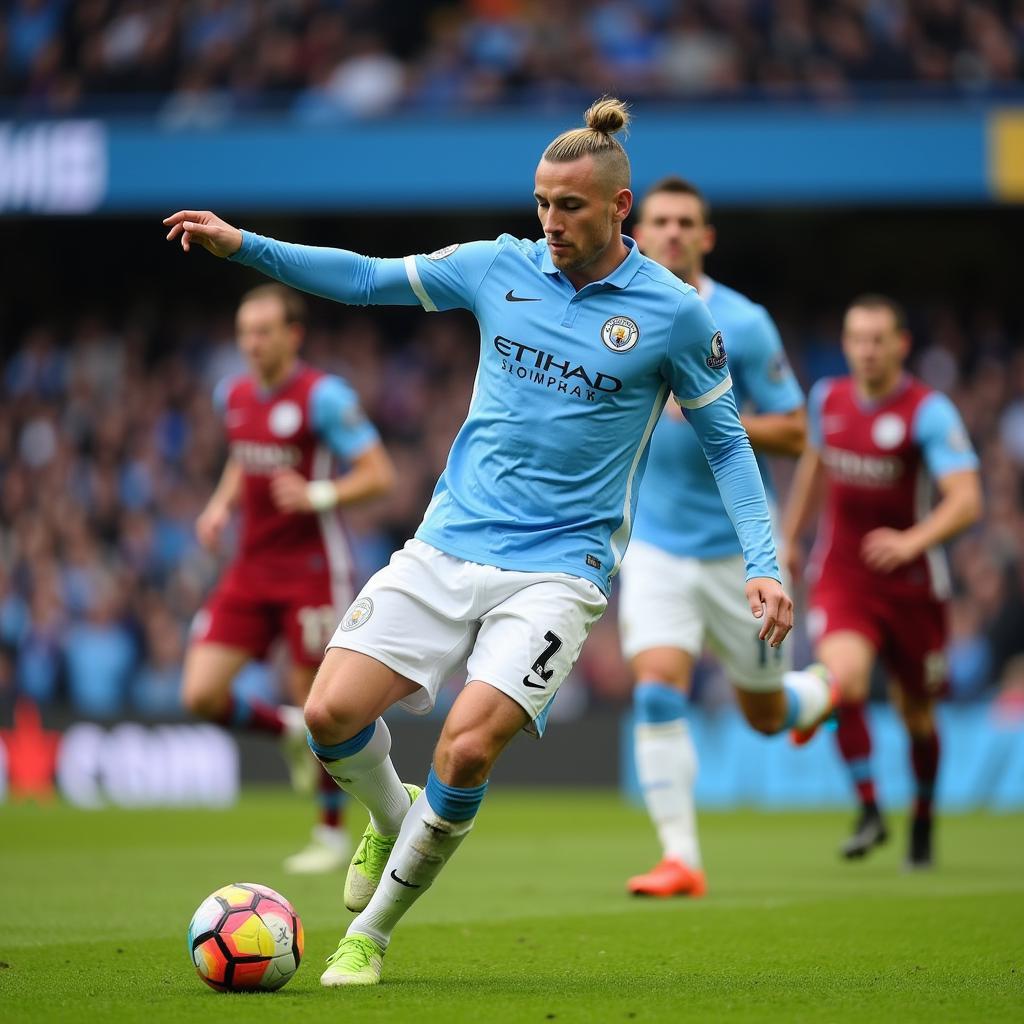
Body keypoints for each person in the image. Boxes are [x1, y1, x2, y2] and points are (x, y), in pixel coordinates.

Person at [165, 97, 800, 989]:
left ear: (620, 208)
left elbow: (731, 442)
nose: (550, 222)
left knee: (464, 749)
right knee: (328, 716)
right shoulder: (497, 266)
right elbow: (364, 277)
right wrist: (246, 247)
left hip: (560, 570)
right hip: (447, 542)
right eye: (542, 202)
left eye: (570, 206)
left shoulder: (673, 314)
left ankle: (372, 933)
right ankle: (393, 813)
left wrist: (765, 567)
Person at [617, 176, 830, 899]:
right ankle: (681, 858)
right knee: (656, 689)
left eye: (686, 222)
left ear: (705, 237)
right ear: (637, 231)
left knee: (765, 716)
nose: (672, 232)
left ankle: (816, 695)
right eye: (661, 221)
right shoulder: (615, 314)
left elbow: (799, 432)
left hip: (743, 552)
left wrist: (709, 410)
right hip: (655, 546)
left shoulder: (742, 322)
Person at [182, 283, 395, 873]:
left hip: (311, 569)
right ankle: (283, 730)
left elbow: (380, 474)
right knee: (201, 693)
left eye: (264, 331)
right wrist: (220, 505)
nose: (252, 342)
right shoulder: (235, 394)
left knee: (316, 701)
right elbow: (241, 455)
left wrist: (317, 492)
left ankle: (329, 833)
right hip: (250, 566)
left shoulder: (324, 397)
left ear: (292, 335)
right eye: (245, 331)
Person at [781, 294, 982, 867]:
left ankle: (921, 815)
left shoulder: (928, 410)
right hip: (843, 574)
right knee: (842, 679)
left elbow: (967, 500)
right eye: (856, 339)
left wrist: (910, 542)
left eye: (877, 340)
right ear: (845, 344)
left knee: (917, 714)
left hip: (914, 586)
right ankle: (869, 808)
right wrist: (791, 537)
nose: (866, 351)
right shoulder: (828, 399)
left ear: (900, 345)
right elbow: (814, 466)